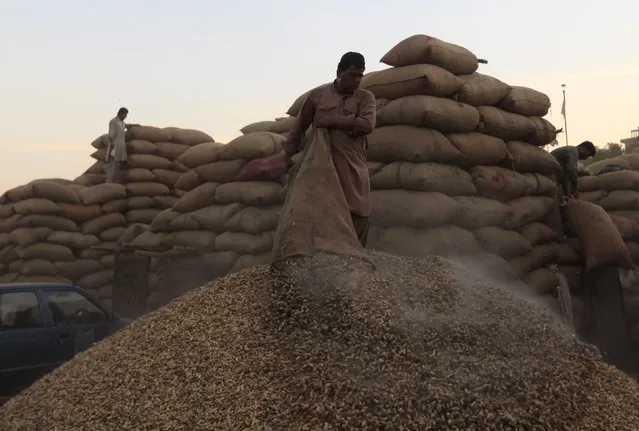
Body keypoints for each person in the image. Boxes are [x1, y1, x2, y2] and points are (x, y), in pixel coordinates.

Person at [283, 52, 376, 247]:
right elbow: (298, 128)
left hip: (352, 165)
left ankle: (355, 257)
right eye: (352, 75)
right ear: (339, 72)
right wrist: (287, 157)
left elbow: (367, 125)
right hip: (321, 164)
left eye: (360, 75)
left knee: (358, 210)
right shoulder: (318, 95)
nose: (356, 80)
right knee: (317, 210)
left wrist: (330, 121)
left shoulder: (365, 98)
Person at [105, 107, 137, 184]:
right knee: (112, 166)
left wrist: (135, 125)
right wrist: (112, 147)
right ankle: (108, 183)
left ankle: (115, 183)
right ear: (120, 114)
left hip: (121, 148)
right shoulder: (113, 122)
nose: (125, 117)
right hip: (114, 147)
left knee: (118, 166)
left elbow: (127, 126)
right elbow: (110, 135)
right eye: (125, 115)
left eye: (126, 115)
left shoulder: (122, 122)